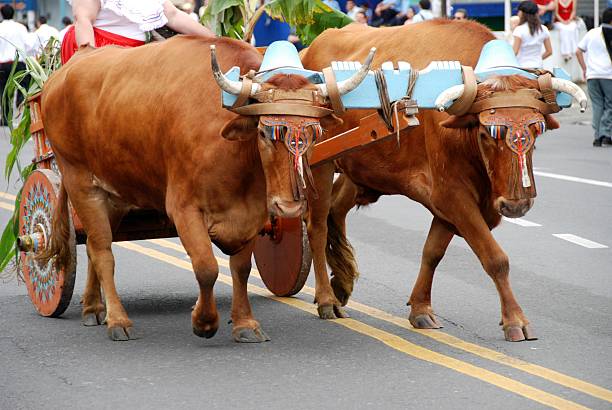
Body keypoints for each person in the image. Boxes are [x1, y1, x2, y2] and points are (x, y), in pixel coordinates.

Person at [62, 0, 215, 64]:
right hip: (100, 51)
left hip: (135, 55)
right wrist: (91, 65)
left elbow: (172, 15)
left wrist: (215, 40)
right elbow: (83, 20)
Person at [576, 8, 612, 147]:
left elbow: (578, 51)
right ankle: (606, 134)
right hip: (609, 75)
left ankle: (597, 136)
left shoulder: (592, 33)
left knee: (597, 106)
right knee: (610, 105)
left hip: (592, 75)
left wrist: (584, 68)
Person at [0, 5, 34, 124]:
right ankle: (21, 114)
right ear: (13, 14)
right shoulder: (20, 27)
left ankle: (5, 118)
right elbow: (29, 45)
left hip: (2, 65)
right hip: (18, 63)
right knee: (22, 89)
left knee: (3, 92)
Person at [512, 0, 552, 68]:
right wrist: (538, 60)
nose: (518, 13)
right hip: (538, 67)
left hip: (522, 68)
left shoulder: (519, 30)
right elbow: (549, 51)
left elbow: (514, 53)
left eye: (519, 11)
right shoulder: (544, 29)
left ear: (522, 13)